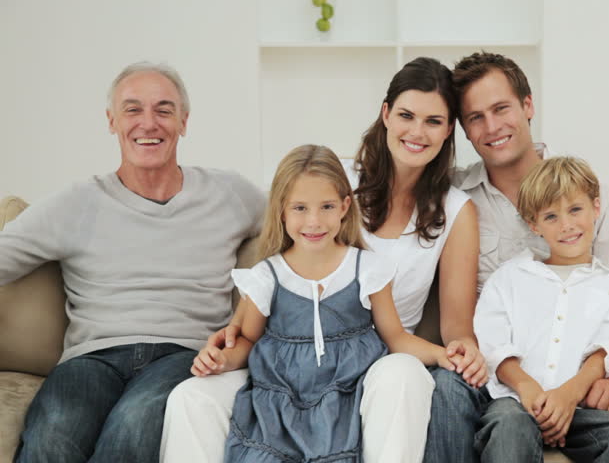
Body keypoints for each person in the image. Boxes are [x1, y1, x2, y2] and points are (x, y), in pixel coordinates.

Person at [160, 57, 481, 463]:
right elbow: (277, 249)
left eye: (433, 121)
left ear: (449, 128)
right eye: (406, 115)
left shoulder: (456, 209)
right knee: (191, 397)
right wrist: (231, 335)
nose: (417, 132)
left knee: (403, 374)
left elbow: (450, 327)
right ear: (385, 114)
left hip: (376, 359)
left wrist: (459, 351)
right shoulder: (331, 179)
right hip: (282, 366)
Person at [1, 62, 265, 463]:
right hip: (92, 360)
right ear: (112, 121)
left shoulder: (231, 193)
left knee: (133, 425)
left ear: (183, 121)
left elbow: (301, 223)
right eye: (132, 109)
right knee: (52, 435)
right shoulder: (75, 203)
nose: (149, 123)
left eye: (163, 110)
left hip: (184, 354)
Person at [450, 51, 609, 462]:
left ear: (528, 106)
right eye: (476, 117)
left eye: (501, 108)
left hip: (586, 378)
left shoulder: (587, 188)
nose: (492, 126)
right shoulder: (456, 199)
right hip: (501, 378)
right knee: (449, 392)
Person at [188, 144, 458, 462]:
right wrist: (220, 360)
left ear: (345, 206)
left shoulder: (367, 269)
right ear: (281, 210)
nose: (314, 222)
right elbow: (246, 339)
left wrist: (442, 355)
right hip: (281, 401)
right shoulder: (267, 276)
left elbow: (396, 337)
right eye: (300, 208)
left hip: (348, 394)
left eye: (326, 206)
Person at [474, 156, 609, 462]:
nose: (567, 225)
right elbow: (495, 348)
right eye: (551, 217)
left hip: (581, 409)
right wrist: (529, 390)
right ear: (534, 224)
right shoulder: (508, 278)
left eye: (575, 209)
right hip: (516, 403)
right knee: (509, 431)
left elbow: (604, 354)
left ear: (595, 208)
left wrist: (566, 397)